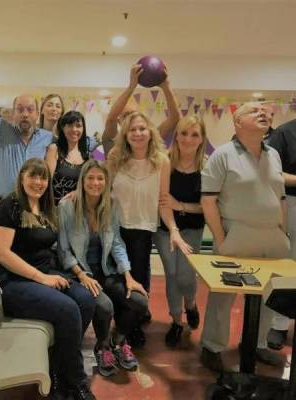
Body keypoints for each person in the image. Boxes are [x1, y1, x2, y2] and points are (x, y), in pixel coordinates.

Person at [0, 158, 96, 400]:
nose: (38, 182)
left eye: (43, 178)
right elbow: (1, 253)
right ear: (22, 177)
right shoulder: (10, 206)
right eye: (33, 176)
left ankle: (57, 368)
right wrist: (42, 279)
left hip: (45, 273)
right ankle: (77, 382)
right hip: (13, 282)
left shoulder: (46, 206)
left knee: (86, 301)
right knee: (68, 309)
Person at [200, 102, 289, 372]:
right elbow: (208, 200)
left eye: (266, 112)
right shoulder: (223, 155)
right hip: (236, 236)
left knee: (269, 296)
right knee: (224, 297)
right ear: (237, 122)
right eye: (254, 111)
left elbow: (281, 197)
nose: (263, 113)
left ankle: (257, 344)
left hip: (271, 237)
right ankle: (212, 346)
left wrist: (282, 231)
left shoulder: (273, 154)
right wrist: (221, 238)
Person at [107, 111, 191, 347]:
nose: (138, 133)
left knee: (139, 280)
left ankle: (132, 324)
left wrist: (173, 229)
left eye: (142, 128)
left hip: (143, 229)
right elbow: (102, 188)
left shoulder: (161, 160)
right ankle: (124, 324)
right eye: (132, 129)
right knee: (118, 280)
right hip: (116, 227)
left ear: (150, 131)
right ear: (126, 134)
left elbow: (163, 200)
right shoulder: (116, 157)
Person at [58, 160, 148, 377]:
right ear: (82, 180)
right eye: (90, 178)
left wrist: (128, 276)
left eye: (100, 178)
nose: (95, 183)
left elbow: (116, 243)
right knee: (105, 306)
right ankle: (103, 346)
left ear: (106, 182)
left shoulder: (111, 204)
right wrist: (81, 275)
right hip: (80, 271)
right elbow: (63, 250)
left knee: (139, 301)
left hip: (106, 270)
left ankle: (119, 340)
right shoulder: (67, 206)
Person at [0, 43, 54, 225]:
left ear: (37, 115)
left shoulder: (47, 138)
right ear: (13, 114)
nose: (24, 113)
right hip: (1, 203)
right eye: (19, 109)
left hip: (33, 205)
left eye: (30, 109)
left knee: (28, 251)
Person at [153, 115, 207, 347]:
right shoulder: (166, 161)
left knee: (186, 276)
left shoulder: (207, 166)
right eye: (184, 133)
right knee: (172, 274)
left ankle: (191, 304)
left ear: (202, 139)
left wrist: (182, 206)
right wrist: (173, 226)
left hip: (193, 228)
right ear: (176, 135)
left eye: (194, 134)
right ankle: (176, 321)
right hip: (165, 227)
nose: (188, 139)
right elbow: (164, 201)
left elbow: (208, 206)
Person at [102, 64, 180, 154]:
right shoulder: (113, 136)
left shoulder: (148, 137)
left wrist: (166, 86)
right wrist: (131, 87)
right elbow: (111, 119)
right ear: (119, 120)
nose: (130, 118)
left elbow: (175, 119)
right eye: (126, 115)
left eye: (133, 114)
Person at [266, 115, 296, 350]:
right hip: (291, 205)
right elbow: (272, 173)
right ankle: (279, 324)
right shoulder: (284, 133)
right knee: (288, 267)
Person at [46, 111, 91, 204]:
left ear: (83, 129)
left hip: (77, 209)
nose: (74, 129)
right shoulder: (54, 149)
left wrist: (78, 192)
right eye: (70, 125)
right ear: (63, 128)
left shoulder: (87, 156)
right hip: (54, 208)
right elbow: (47, 181)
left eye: (78, 126)